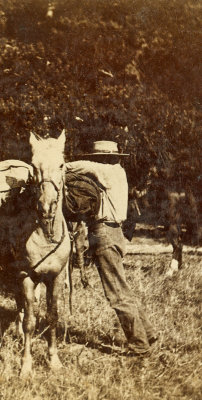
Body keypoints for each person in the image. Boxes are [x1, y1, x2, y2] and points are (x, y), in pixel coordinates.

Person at [66, 141, 157, 356]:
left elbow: (75, 167)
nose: (94, 160)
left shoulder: (105, 170)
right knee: (122, 287)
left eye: (96, 157)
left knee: (116, 293)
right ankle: (148, 333)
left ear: (103, 158)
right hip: (114, 233)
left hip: (104, 233)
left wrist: (53, 164)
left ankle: (139, 345)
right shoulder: (119, 171)